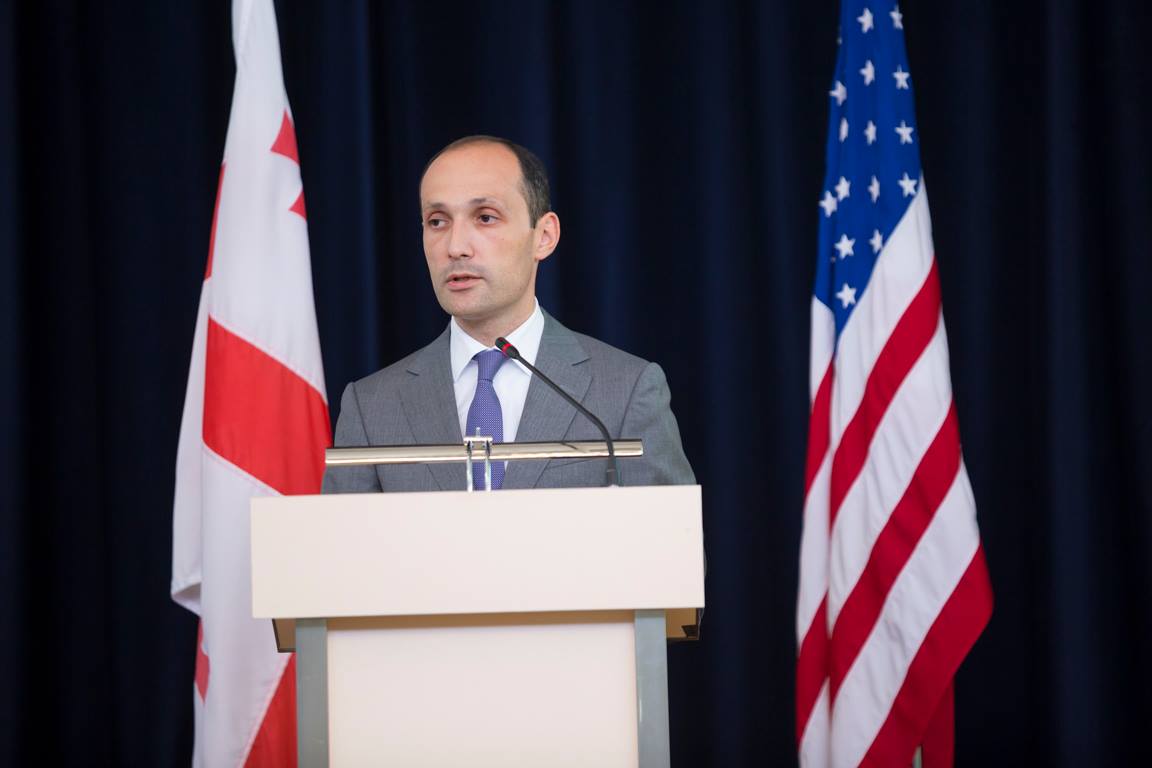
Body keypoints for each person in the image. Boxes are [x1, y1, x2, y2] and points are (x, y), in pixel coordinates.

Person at [321, 135, 694, 492]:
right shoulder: (370, 407)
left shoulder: (627, 391)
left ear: (543, 236)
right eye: (437, 221)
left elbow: (671, 536)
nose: (455, 247)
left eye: (485, 217)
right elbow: (345, 539)